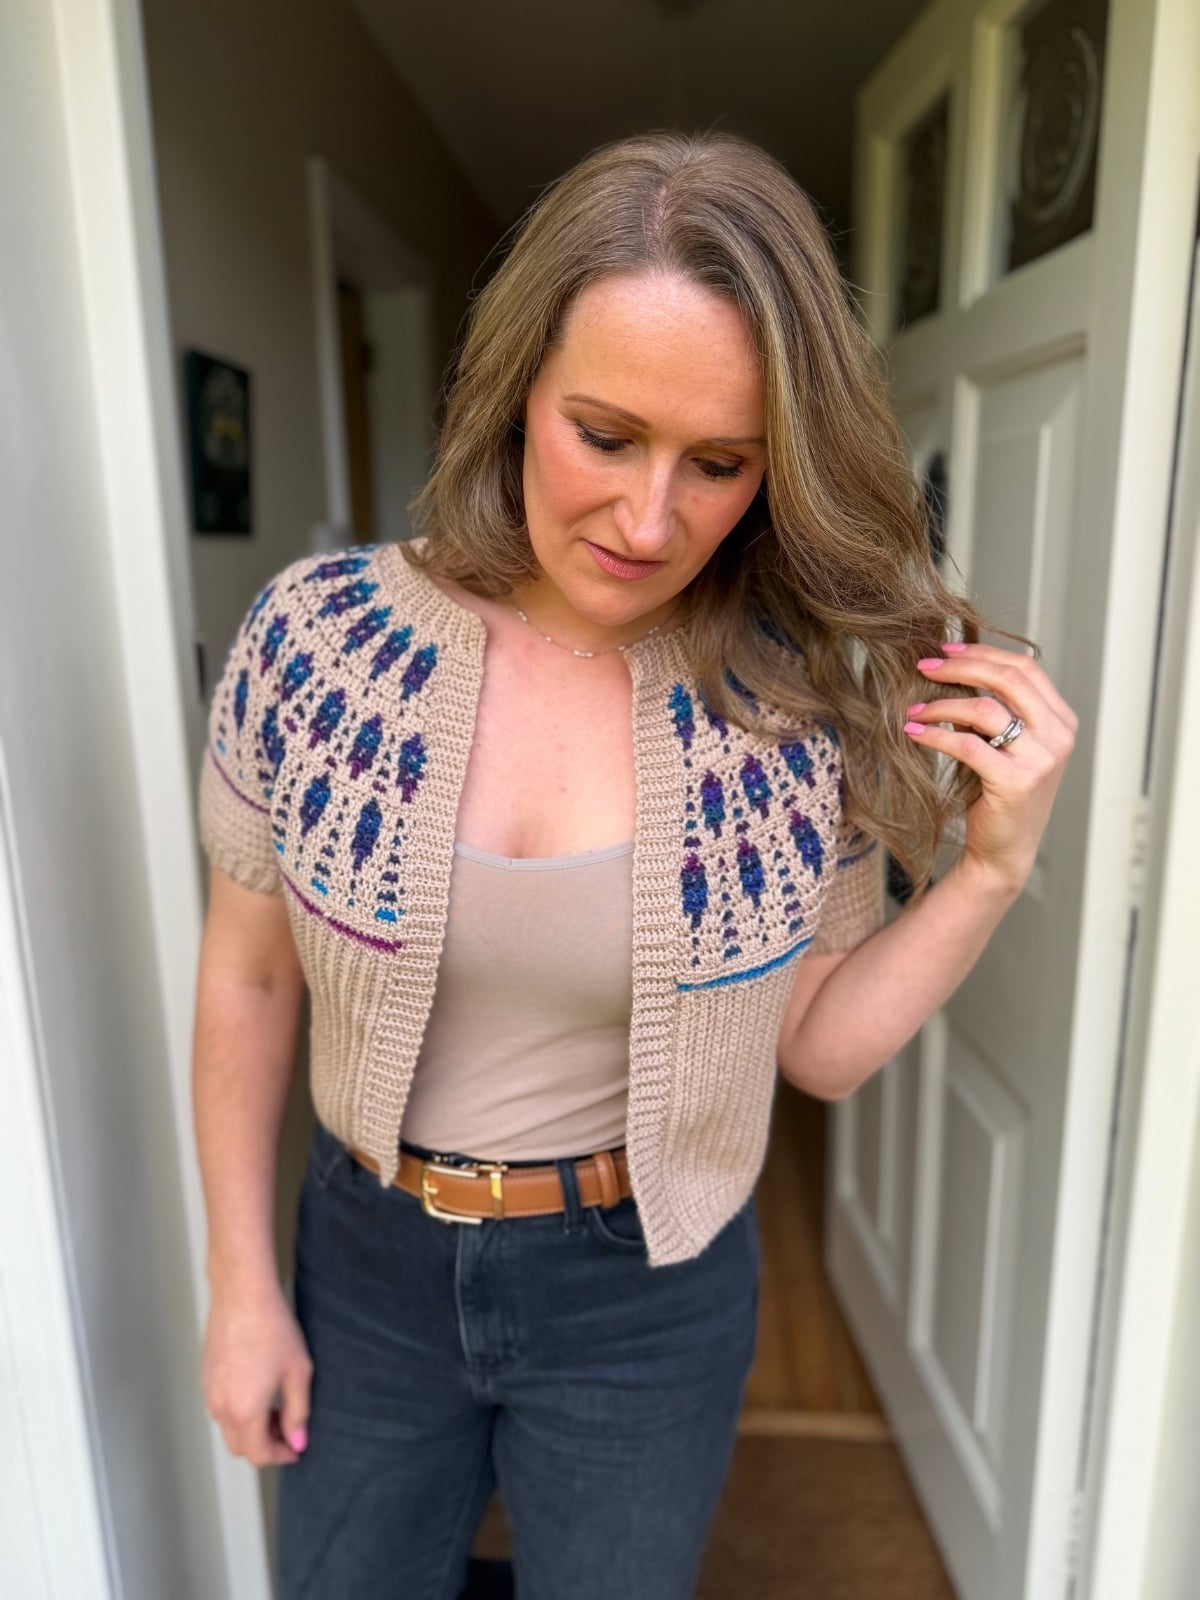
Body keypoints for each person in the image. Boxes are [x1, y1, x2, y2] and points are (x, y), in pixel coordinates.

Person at [192, 130, 1075, 1600]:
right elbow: (245, 973)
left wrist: (990, 866)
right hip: (369, 1264)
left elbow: (820, 1050)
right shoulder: (318, 644)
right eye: (604, 435)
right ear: (518, 388)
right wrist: (238, 1288)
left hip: (646, 1287)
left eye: (719, 464)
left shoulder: (789, 707)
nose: (650, 520)